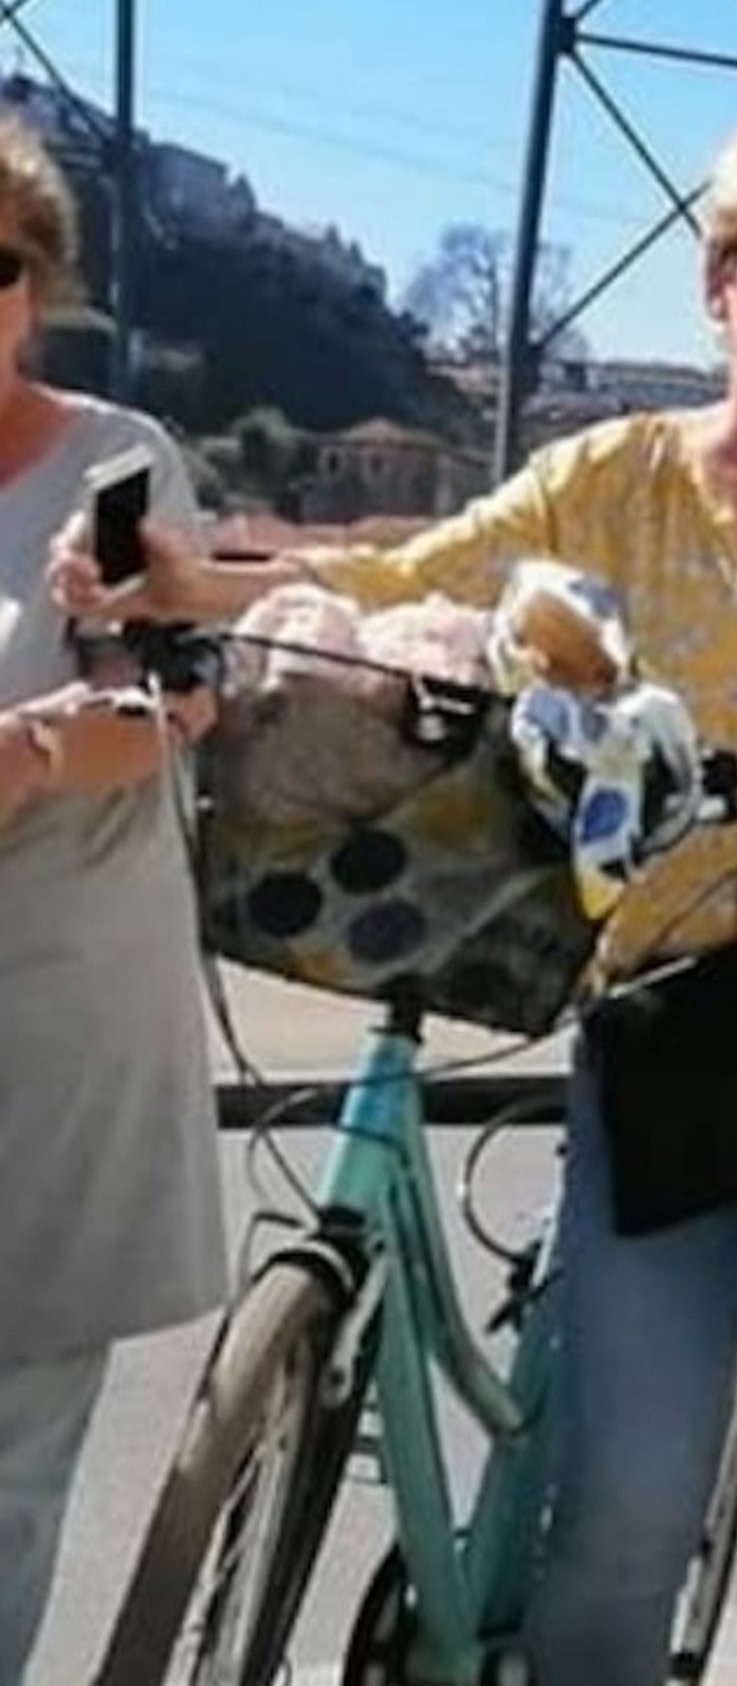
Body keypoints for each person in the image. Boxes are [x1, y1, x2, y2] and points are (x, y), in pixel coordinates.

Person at [55, 127, 737, 1686]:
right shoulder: (621, 476)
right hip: (673, 1009)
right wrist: (194, 588)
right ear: (719, 282)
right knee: (622, 1503)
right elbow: (412, 574)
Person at [0, 115, 225, 1686]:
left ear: (37, 286)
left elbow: (165, 700)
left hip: (55, 1015)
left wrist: (37, 748)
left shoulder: (117, 467)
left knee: (3, 1467)